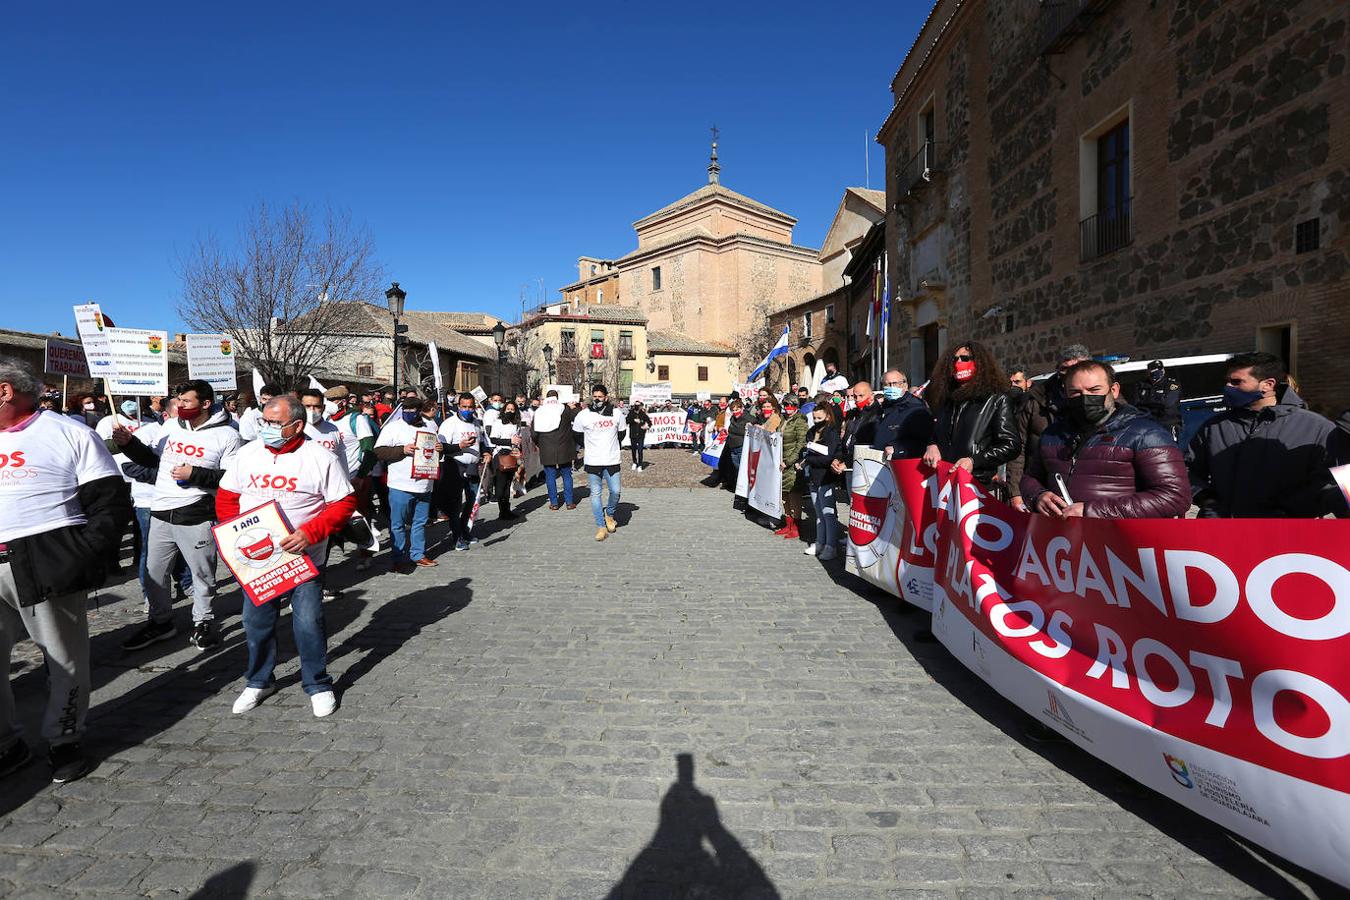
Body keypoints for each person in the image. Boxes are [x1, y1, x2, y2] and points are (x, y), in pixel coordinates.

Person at [0, 357, 131, 783]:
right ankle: (7, 744)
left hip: (45, 561)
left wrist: (81, 554)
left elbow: (110, 504)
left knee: (63, 658)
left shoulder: (68, 432)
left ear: (5, 391)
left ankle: (64, 739)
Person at [217, 395, 356, 718]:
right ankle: (259, 680)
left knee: (308, 622)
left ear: (297, 425)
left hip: (303, 558)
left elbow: (343, 504)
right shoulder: (248, 453)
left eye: (275, 423)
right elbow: (227, 497)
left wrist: (311, 533)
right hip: (258, 560)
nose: (267, 428)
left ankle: (318, 683)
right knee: (256, 622)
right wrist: (231, 536)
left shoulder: (320, 457)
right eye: (264, 421)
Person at [114, 380, 243, 651]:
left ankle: (203, 622)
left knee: (202, 573)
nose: (180, 406)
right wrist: (129, 444)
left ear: (206, 404)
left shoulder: (228, 435)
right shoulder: (171, 426)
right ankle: (161, 622)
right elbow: (152, 460)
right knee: (154, 573)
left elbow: (232, 478)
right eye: (179, 400)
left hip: (196, 514)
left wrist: (194, 474)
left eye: (186, 401)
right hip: (160, 512)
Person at [1021, 361, 1189, 519]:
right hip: (1064, 541)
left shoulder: (1146, 434)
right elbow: (1030, 478)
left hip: (1120, 543)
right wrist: (1038, 496)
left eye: (1094, 390)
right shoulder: (1052, 434)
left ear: (1114, 390)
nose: (1085, 398)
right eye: (1076, 392)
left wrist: (1092, 511)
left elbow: (1175, 497)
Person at [1187, 352, 1340, 518]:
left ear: (1268, 384)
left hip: (1286, 535)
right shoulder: (1214, 426)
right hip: (1223, 531)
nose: (1228, 387)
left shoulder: (1317, 427)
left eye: (1236, 382)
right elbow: (1186, 471)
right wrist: (1207, 501)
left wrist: (1292, 510)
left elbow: (1332, 484)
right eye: (1228, 381)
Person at [921, 341, 1021, 492]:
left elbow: (1011, 445)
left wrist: (974, 461)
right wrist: (932, 444)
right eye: (955, 359)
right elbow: (936, 433)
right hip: (944, 481)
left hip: (977, 485)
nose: (959, 362)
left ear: (979, 363)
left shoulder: (997, 399)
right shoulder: (946, 400)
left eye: (965, 358)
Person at [1008, 344, 1090, 511]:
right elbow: (1019, 448)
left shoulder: (1102, 401)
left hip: (1087, 496)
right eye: (1066, 369)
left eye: (1078, 368)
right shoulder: (1035, 401)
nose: (1071, 374)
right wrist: (1015, 494)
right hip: (1042, 491)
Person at [374, 395, 442, 572]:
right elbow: (379, 451)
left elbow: (436, 450)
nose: (409, 413)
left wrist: (439, 450)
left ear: (420, 411)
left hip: (425, 483)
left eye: (413, 410)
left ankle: (418, 554)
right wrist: (402, 450)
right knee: (398, 523)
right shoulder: (392, 427)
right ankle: (398, 558)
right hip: (401, 484)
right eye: (405, 410)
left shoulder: (430, 426)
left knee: (419, 522)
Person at [573, 384, 627, 541]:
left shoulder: (616, 414)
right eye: (595, 396)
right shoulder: (584, 415)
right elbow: (576, 435)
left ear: (606, 397)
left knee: (615, 491)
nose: (597, 399)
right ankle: (600, 526)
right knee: (595, 494)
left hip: (611, 459)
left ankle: (609, 514)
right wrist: (589, 446)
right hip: (593, 460)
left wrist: (610, 445)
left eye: (600, 396)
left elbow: (621, 434)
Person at [438, 393, 491, 551]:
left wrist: (486, 452)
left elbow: (483, 441)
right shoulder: (450, 423)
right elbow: (441, 447)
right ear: (458, 407)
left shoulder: (476, 423)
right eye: (464, 407)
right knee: (455, 504)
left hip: (472, 467)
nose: (467, 410)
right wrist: (459, 446)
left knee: (472, 500)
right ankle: (457, 537)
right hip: (454, 465)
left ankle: (465, 530)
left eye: (470, 407)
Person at [798, 401, 842, 560]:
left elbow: (828, 457)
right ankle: (820, 542)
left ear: (828, 417)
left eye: (819, 418)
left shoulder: (831, 432)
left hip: (826, 476)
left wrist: (810, 458)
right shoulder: (811, 432)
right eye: (814, 418)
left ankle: (831, 545)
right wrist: (809, 459)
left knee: (828, 513)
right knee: (818, 512)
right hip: (813, 476)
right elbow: (811, 452)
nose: (816, 421)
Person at [531, 390, 579, 511]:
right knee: (567, 474)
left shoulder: (539, 411)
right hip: (565, 446)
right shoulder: (564, 409)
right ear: (557, 398)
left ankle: (554, 503)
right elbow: (578, 418)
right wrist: (574, 407)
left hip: (546, 446)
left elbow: (534, 432)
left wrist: (539, 443)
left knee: (550, 476)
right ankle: (569, 502)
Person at [871, 369, 933, 460]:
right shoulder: (883, 408)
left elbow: (925, 442)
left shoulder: (916, 408)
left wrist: (897, 449)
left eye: (895, 383)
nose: (891, 387)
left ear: (905, 385)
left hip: (902, 465)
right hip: (880, 465)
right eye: (887, 384)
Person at [775, 395, 809, 541]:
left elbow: (801, 443)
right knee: (784, 495)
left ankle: (796, 525)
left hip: (791, 462)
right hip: (780, 460)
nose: (788, 409)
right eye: (785, 406)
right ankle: (787, 523)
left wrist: (789, 461)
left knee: (794, 494)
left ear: (796, 406)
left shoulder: (800, 420)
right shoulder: (783, 419)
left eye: (790, 406)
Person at [486, 399, 524, 521]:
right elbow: (493, 439)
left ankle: (507, 509)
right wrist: (509, 441)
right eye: (508, 409)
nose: (510, 411)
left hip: (512, 454)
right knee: (501, 484)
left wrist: (517, 445)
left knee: (508, 482)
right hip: (500, 454)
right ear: (504, 410)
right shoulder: (498, 423)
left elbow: (517, 439)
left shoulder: (516, 423)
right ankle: (502, 510)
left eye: (512, 410)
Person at [831, 381, 878, 477]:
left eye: (861, 396)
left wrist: (848, 463)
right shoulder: (852, 414)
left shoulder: (877, 415)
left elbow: (869, 445)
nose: (857, 400)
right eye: (854, 396)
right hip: (847, 466)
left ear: (871, 396)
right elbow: (845, 440)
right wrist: (837, 458)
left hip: (865, 468)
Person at [1132, 359, 1182, 440]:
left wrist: (1147, 405)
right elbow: (1136, 404)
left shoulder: (1172, 385)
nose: (1157, 374)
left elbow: (1168, 404)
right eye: (1153, 372)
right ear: (1148, 373)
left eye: (1159, 371)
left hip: (1168, 424)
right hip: (1147, 425)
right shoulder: (1141, 385)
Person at [717, 399, 748, 492]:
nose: (735, 412)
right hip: (733, 446)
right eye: (733, 410)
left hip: (741, 446)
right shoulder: (732, 418)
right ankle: (739, 488)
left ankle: (743, 489)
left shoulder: (747, 418)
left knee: (741, 469)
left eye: (737, 410)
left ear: (742, 409)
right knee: (736, 468)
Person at [627, 401, 652, 471]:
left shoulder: (643, 414)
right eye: (636, 405)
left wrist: (646, 426)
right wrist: (633, 420)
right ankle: (635, 462)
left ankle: (640, 464)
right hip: (633, 434)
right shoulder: (631, 413)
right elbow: (627, 420)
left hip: (641, 434)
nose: (637, 406)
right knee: (633, 449)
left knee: (640, 450)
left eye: (638, 405)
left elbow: (650, 422)